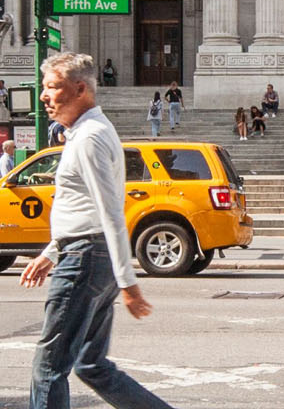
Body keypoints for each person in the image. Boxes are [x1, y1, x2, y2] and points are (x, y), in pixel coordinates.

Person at [16, 52, 178, 409]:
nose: (44, 96)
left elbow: (110, 212)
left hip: (85, 259)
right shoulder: (85, 132)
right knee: (90, 364)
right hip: (86, 255)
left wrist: (128, 283)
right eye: (45, 87)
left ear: (79, 89)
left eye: (52, 87)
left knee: (49, 367)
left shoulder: (89, 137)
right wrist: (51, 252)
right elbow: (84, 207)